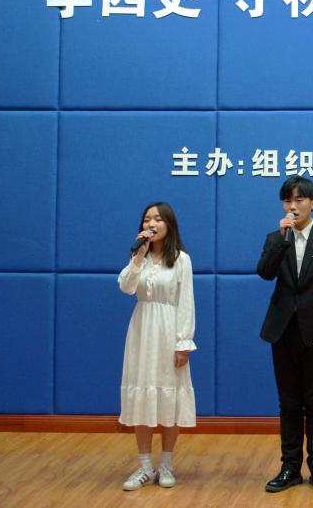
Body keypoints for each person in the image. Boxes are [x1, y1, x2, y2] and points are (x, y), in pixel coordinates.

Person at [256, 175, 313, 494]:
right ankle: (290, 468)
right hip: (283, 331)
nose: (292, 206)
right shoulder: (276, 238)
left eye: (299, 200)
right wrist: (281, 239)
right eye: (287, 200)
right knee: (289, 403)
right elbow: (265, 272)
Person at [117, 201, 197, 491]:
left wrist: (183, 342)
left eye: (158, 219)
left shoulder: (182, 260)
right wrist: (138, 257)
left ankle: (165, 464)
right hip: (142, 331)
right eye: (147, 219)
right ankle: (144, 466)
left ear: (169, 225)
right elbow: (126, 287)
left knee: (169, 397)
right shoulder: (139, 256)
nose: (151, 224)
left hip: (168, 331)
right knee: (143, 395)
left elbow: (185, 302)